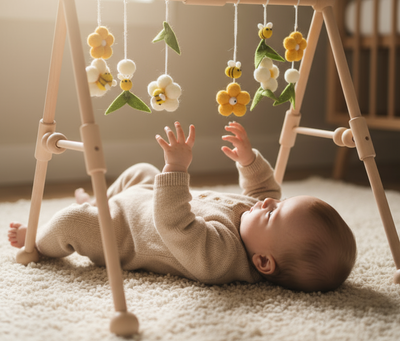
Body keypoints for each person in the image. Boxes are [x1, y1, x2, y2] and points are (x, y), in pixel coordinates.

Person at [8, 122, 356, 292]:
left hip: (124, 233)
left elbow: (175, 224)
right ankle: (101, 199)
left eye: (273, 212)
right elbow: (265, 187)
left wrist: (175, 169)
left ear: (263, 262)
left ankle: (38, 242)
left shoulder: (219, 259)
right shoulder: (257, 219)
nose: (267, 202)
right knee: (141, 171)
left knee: (74, 222)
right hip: (143, 198)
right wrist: (249, 160)